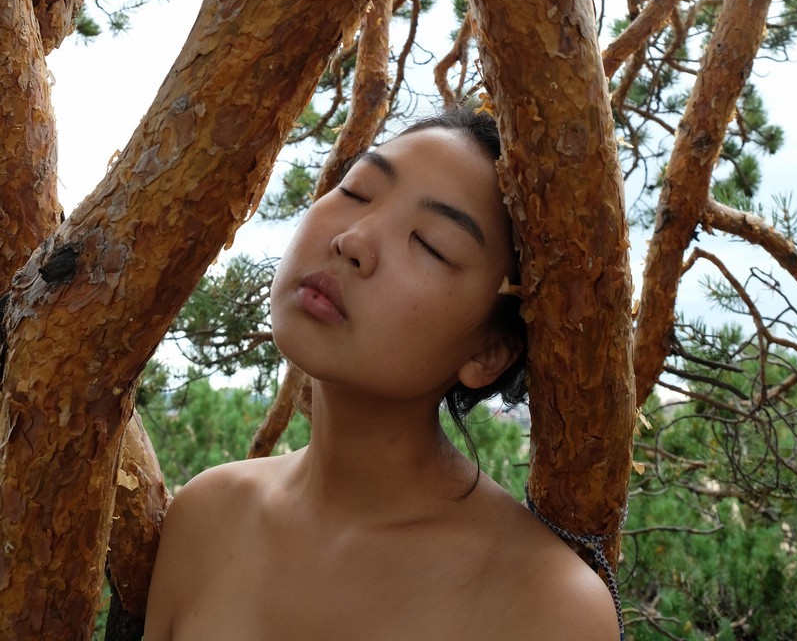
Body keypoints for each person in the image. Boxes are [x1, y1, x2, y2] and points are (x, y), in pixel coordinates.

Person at [144, 105, 622, 640]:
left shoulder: (548, 604)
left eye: (431, 245)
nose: (355, 239)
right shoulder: (206, 516)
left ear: (488, 354)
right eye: (357, 191)